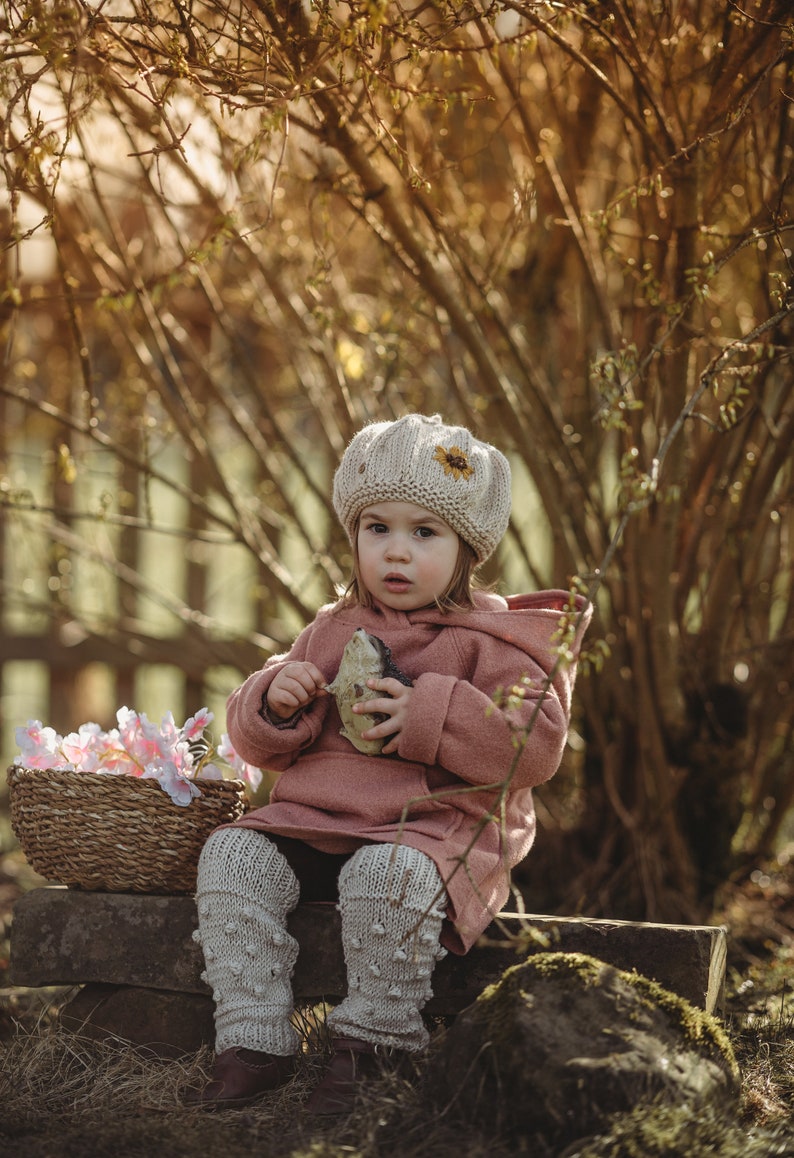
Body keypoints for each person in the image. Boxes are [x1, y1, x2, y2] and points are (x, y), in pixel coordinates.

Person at [186, 413, 591, 1115]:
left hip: (427, 830)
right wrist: (273, 700)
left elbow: (536, 746)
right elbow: (257, 745)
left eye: (424, 533)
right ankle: (253, 1038)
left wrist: (427, 714)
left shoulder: (492, 640)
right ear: (354, 536)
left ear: (468, 547)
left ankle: (375, 1044)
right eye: (378, 529)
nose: (396, 553)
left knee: (386, 872)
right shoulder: (333, 627)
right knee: (233, 856)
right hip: (316, 818)